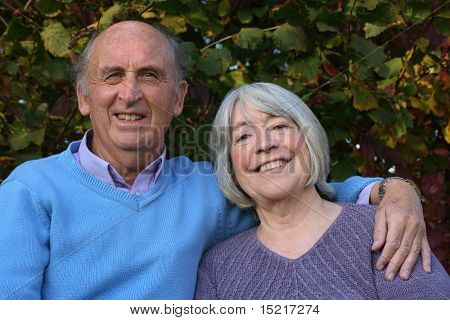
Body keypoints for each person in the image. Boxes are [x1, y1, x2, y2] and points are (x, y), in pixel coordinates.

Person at [0, 21, 429, 299]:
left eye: (150, 75)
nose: (129, 94)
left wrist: (394, 191)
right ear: (83, 97)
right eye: (112, 75)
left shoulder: (211, 190)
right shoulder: (30, 191)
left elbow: (303, 192)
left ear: (179, 98)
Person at [195, 82, 450, 300]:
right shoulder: (216, 269)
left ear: (309, 140)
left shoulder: (384, 229)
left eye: (279, 127)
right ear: (230, 165)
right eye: (244, 137)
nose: (265, 144)